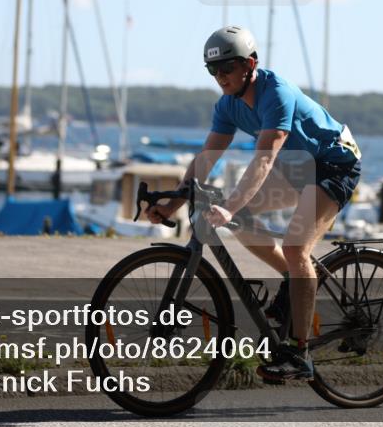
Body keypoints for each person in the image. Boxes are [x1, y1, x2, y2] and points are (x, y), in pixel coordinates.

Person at [145, 25, 361, 381]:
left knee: (295, 247)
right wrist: (173, 203)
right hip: (297, 166)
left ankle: (299, 353)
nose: (220, 77)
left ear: (250, 64)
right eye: (212, 71)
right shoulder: (228, 105)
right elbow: (206, 157)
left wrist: (228, 205)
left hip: (334, 165)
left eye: (226, 68)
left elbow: (263, 160)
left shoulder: (276, 94)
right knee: (242, 218)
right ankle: (294, 280)